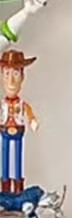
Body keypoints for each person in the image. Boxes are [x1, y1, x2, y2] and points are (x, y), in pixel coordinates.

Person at [0, 49, 38, 193]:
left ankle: (17, 189)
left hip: (18, 132)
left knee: (17, 160)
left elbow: (29, 113)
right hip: (4, 131)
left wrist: (32, 120)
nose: (11, 81)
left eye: (15, 74)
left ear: (22, 77)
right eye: (7, 74)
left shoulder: (22, 104)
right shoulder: (2, 104)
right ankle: (4, 188)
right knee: (4, 159)